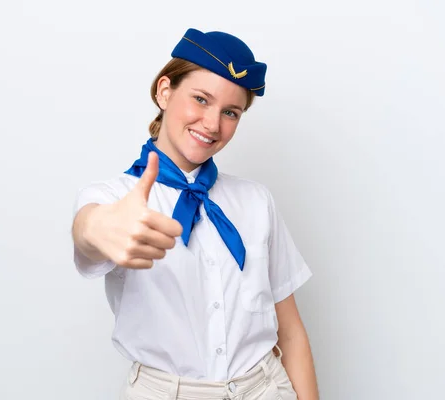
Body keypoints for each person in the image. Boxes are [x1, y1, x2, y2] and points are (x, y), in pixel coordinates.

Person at [71, 28, 320, 400]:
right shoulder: (115, 197)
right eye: (201, 99)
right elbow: (88, 230)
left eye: (230, 112)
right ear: (164, 91)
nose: (212, 124)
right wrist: (96, 229)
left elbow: (290, 330)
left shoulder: (255, 201)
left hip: (266, 388)